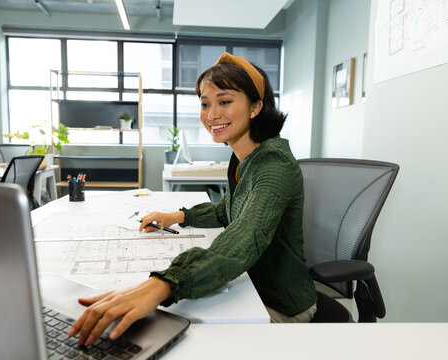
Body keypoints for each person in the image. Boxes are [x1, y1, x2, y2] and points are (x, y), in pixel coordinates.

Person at [68, 52, 317, 346]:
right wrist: (179, 217)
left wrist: (164, 283)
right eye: (204, 103)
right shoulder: (242, 158)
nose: (211, 115)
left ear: (255, 107)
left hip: (280, 304)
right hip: (249, 287)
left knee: (177, 338)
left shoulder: (274, 164)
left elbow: (246, 234)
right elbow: (228, 209)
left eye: (225, 101)